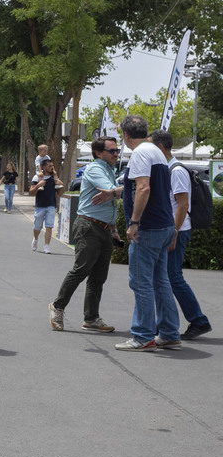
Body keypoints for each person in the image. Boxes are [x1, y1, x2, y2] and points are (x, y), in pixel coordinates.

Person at [99, 115, 180, 351]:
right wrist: (114, 193)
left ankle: (143, 336)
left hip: (148, 228)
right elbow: (140, 187)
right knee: (160, 281)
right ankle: (169, 332)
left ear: (125, 136)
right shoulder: (155, 151)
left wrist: (134, 222)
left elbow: (143, 188)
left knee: (141, 282)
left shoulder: (142, 154)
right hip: (163, 226)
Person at [48, 137, 121, 333]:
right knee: (80, 270)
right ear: (99, 153)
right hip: (89, 226)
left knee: (99, 276)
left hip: (104, 228)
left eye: (117, 150)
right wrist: (134, 188)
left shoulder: (109, 170)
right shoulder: (96, 169)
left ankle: (91, 318)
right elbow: (111, 192)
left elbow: (109, 200)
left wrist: (113, 229)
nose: (116, 154)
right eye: (112, 151)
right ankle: (57, 306)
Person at [150, 131, 212, 340]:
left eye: (150, 147)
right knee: (167, 278)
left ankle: (198, 320)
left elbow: (183, 204)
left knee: (172, 278)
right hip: (174, 230)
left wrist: (174, 233)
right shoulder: (168, 169)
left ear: (159, 148)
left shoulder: (175, 171)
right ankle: (169, 323)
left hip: (178, 230)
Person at [28, 157, 63, 253]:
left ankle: (46, 246)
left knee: (49, 226)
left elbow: (60, 193)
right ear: (44, 167)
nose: (52, 167)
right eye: (49, 166)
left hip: (51, 205)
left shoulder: (54, 178)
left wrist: (60, 183)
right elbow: (31, 192)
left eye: (52, 166)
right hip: (40, 206)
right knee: (37, 227)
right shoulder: (37, 177)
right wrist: (39, 185)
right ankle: (35, 239)